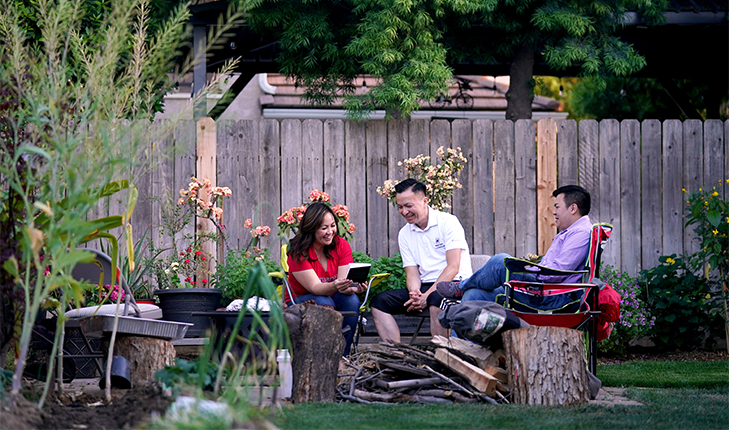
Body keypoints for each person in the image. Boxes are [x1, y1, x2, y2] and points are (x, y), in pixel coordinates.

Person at [437, 185, 592, 308]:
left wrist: (527, 269)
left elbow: (557, 273)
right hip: (542, 289)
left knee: (501, 261)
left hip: (550, 295)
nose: (554, 212)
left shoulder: (581, 233)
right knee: (474, 295)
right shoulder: (570, 232)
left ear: (573, 208)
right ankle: (458, 346)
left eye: (557, 207)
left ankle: (461, 286)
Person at [370, 179, 472, 342]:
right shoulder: (405, 233)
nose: (404, 211)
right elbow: (412, 273)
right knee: (379, 302)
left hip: (454, 284)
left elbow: (453, 267)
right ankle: (397, 355)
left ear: (425, 201)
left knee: (435, 298)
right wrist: (415, 294)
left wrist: (427, 296)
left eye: (409, 206)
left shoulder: (448, 223)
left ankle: (444, 356)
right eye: (400, 207)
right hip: (425, 287)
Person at [285, 202, 365, 356]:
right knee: (324, 302)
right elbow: (316, 288)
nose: (330, 232)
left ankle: (343, 356)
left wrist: (354, 288)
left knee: (352, 300)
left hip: (329, 296)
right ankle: (322, 356)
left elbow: (341, 284)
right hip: (299, 301)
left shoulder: (341, 245)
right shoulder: (299, 252)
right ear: (312, 228)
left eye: (333, 225)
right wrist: (336, 285)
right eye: (324, 228)